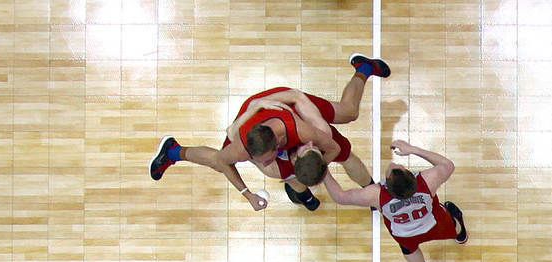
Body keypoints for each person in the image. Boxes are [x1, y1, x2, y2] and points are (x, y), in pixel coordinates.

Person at [148, 56, 391, 211]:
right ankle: (173, 151)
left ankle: (364, 67)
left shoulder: (310, 131)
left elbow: (297, 97)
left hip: (290, 105)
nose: (261, 164)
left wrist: (318, 164)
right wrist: (248, 195)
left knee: (348, 114)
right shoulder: (241, 144)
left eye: (263, 159)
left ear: (278, 146)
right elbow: (225, 158)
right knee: (220, 161)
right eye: (258, 161)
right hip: (255, 113)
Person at [320, 139, 467, 262]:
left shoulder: (375, 195)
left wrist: (323, 168)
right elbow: (448, 165)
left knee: (409, 250)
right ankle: (461, 235)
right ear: (413, 176)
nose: (393, 164)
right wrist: (413, 149)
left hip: (405, 233)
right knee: (452, 222)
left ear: (386, 185)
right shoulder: (428, 180)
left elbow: (340, 197)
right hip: (432, 223)